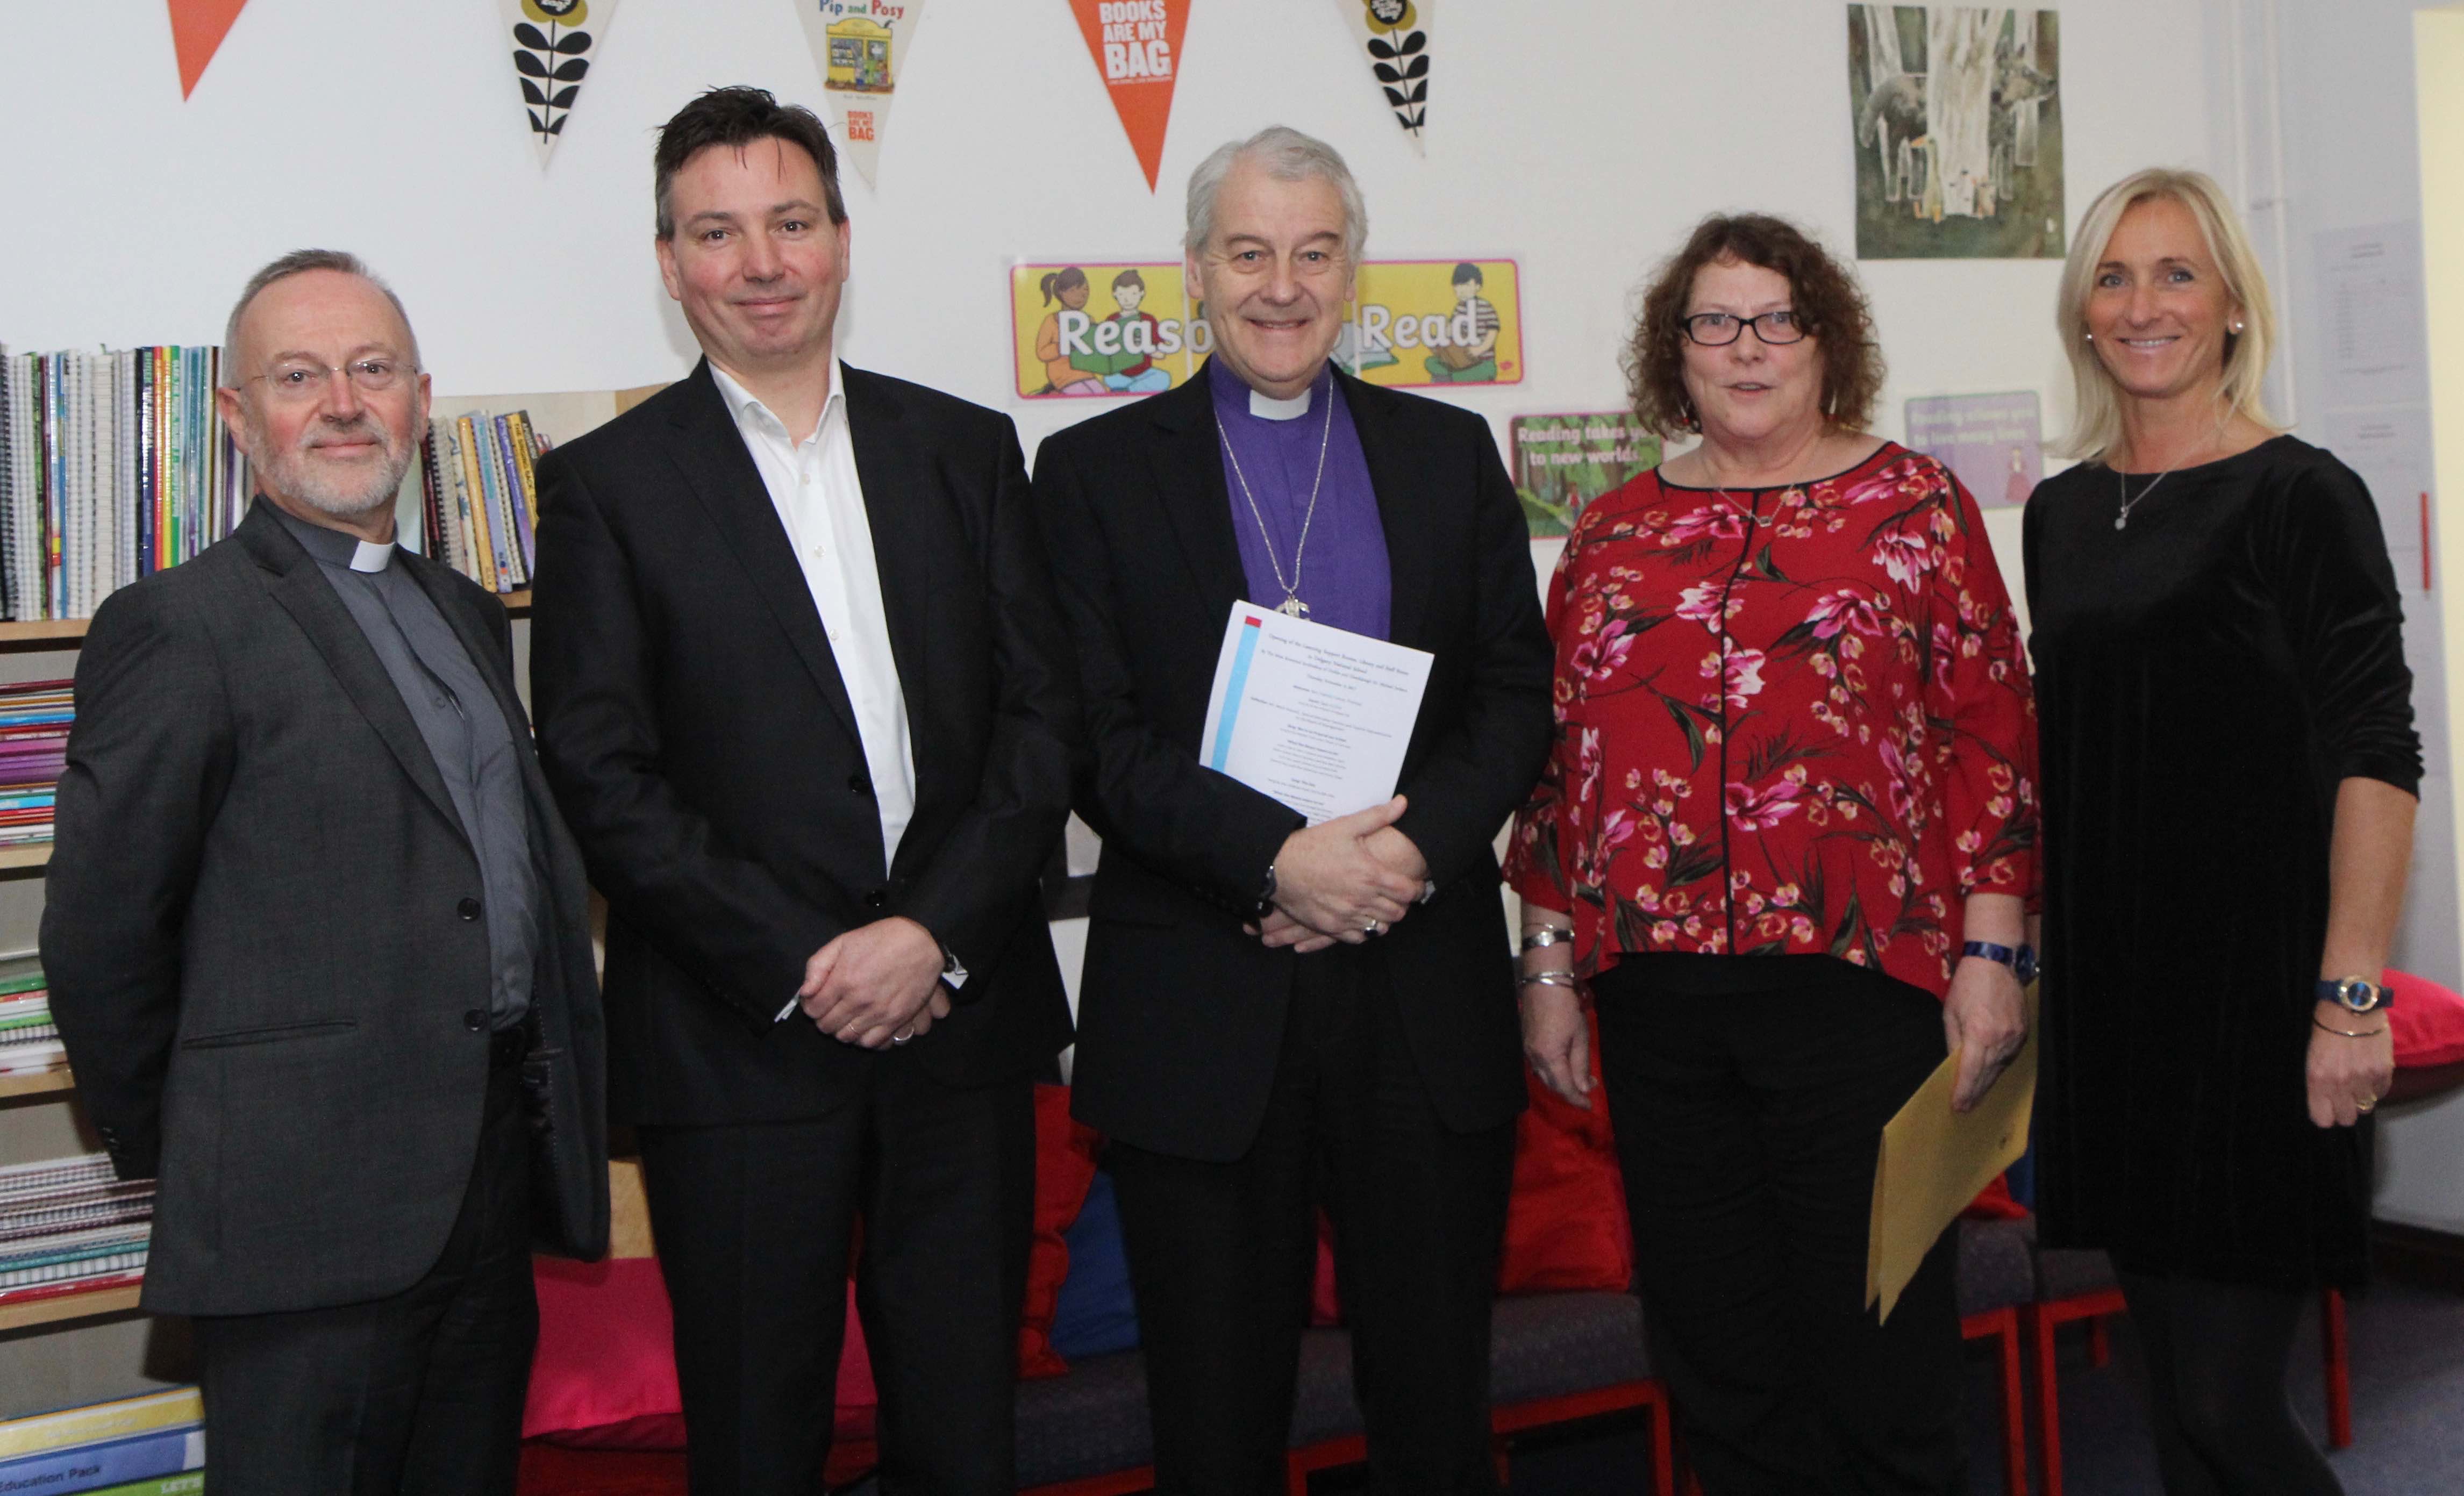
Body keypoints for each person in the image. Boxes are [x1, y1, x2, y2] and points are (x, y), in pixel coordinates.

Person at [527, 88, 1079, 1495]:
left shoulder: (961, 451)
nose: (759, 261)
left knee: (963, 1433)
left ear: (839, 238)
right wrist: (807, 957)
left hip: (958, 1025)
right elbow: (598, 765)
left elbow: (1039, 720)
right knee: (759, 1439)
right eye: (717, 231)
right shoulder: (604, 485)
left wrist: (927, 932)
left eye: (788, 221)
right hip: (739, 1041)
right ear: (669, 262)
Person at [1033, 125, 1551, 1495]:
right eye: (1248, 252)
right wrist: (1275, 863)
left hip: (1417, 987)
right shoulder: (1088, 475)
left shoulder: (1444, 455)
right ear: (1194, 269)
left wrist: (1396, 855)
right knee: (1213, 1424)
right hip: (1203, 995)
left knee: (1437, 1412)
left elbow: (1513, 694)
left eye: (1312, 253)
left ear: (1351, 271)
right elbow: (1095, 741)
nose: (1281, 285)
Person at [41, 249, 609, 1494]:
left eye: (373, 370)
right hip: (294, 1216)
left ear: (419, 398)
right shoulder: (178, 626)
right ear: (240, 420)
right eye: (300, 375)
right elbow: (97, 939)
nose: (344, 404)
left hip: (485, 1192)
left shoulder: (463, 609)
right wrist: (213, 1134)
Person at [1508, 213, 2038, 1495]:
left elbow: (1989, 735)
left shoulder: (1910, 504)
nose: (1743, 348)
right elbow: (1559, 766)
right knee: (1716, 1361)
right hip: (1656, 1007)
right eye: (1711, 321)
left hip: (1858, 993)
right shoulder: (1609, 535)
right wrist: (1543, 963)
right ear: (1672, 350)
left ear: (1823, 340)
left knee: (1877, 1348)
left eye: (1774, 320)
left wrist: (1990, 951)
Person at [2025, 168, 2417, 1496]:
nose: (2144, 305)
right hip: (2119, 1017)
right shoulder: (2060, 512)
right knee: (2171, 1417)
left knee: (2225, 1401)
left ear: (2233, 307)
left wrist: (2349, 1000)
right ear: (2083, 312)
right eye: (2116, 277)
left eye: (2176, 273)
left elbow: (2375, 755)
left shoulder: (2300, 496)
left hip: (2258, 1014)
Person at [1035, 266, 1110, 395]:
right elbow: (1042, 352)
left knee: (1102, 392)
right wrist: (1063, 347)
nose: (1081, 295)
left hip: (1087, 375)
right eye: (1073, 290)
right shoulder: (1052, 320)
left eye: (1085, 289)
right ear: (1061, 293)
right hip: (1064, 377)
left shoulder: (1089, 320)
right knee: (1085, 394)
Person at [1423, 261, 1499, 383]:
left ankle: (1453, 377)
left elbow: (1492, 334)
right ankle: (1451, 375)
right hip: (1460, 359)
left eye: (1467, 285)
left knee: (1484, 370)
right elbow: (1451, 329)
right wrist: (1440, 343)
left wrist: (1479, 350)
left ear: (1478, 287)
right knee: (1430, 362)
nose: (1461, 290)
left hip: (1482, 361)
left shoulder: (1486, 307)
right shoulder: (1460, 308)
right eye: (1458, 286)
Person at [1103, 268, 1173, 392]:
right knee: (1109, 377)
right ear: (1115, 294)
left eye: (1133, 294)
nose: (1127, 300)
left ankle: (1129, 389)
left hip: (1145, 373)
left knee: (1164, 378)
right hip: (1121, 374)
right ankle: (1132, 387)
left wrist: (1146, 348)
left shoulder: (1148, 320)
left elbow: (1161, 354)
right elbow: (1105, 353)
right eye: (1122, 295)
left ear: (1142, 293)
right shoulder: (1112, 320)